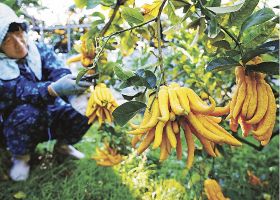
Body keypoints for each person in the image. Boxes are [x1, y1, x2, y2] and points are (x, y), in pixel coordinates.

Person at [0, 3, 92, 181]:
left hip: (51, 112)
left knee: (89, 106)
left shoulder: (38, 49)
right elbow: (21, 92)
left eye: (18, 32)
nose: (19, 43)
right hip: (18, 123)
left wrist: (73, 87)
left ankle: (63, 146)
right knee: (28, 112)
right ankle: (21, 158)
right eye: (7, 40)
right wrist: (53, 89)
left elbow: (57, 70)